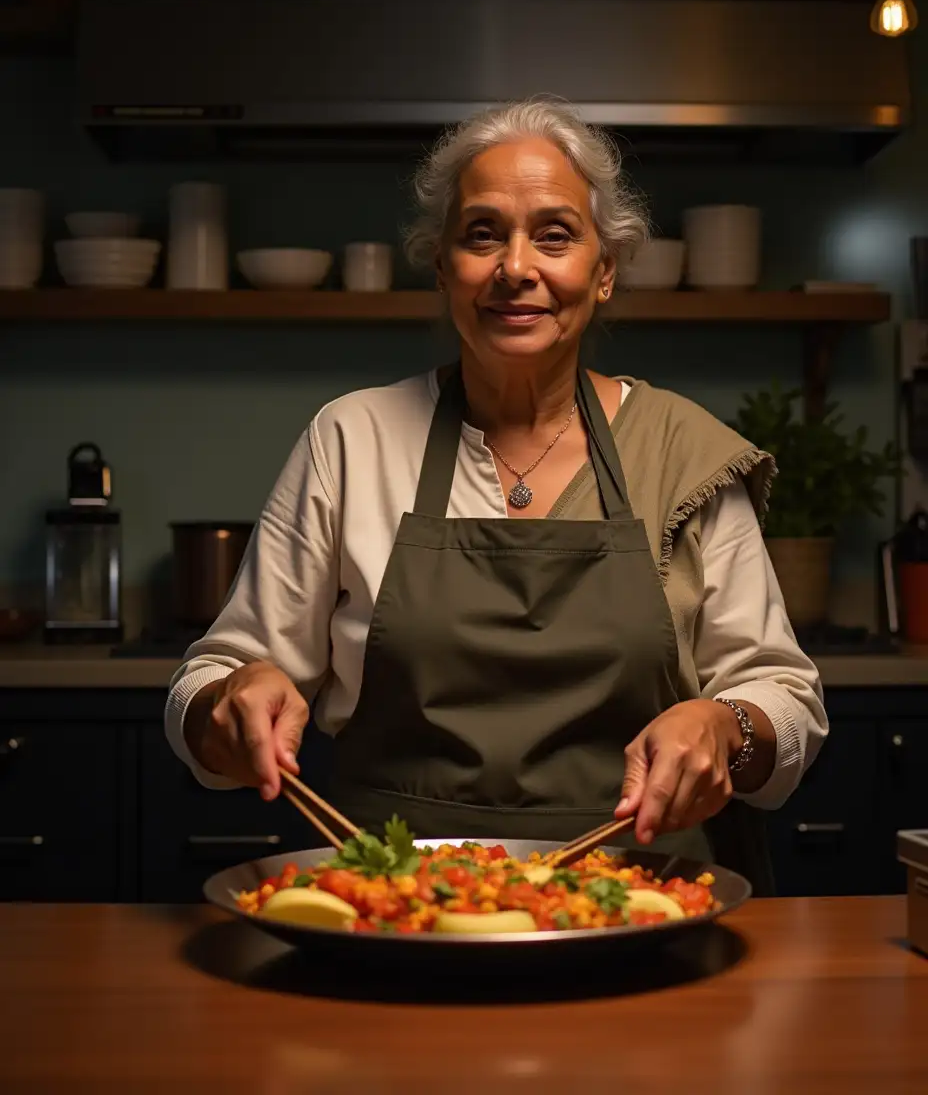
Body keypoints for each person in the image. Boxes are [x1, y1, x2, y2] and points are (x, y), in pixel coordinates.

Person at [165, 97, 826, 891]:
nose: (517, 268)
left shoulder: (683, 451)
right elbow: (209, 682)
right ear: (444, 267)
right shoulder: (352, 439)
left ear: (604, 271)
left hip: (639, 900)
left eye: (555, 234)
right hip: (393, 903)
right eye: (483, 234)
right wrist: (230, 704)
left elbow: (788, 704)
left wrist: (727, 726)